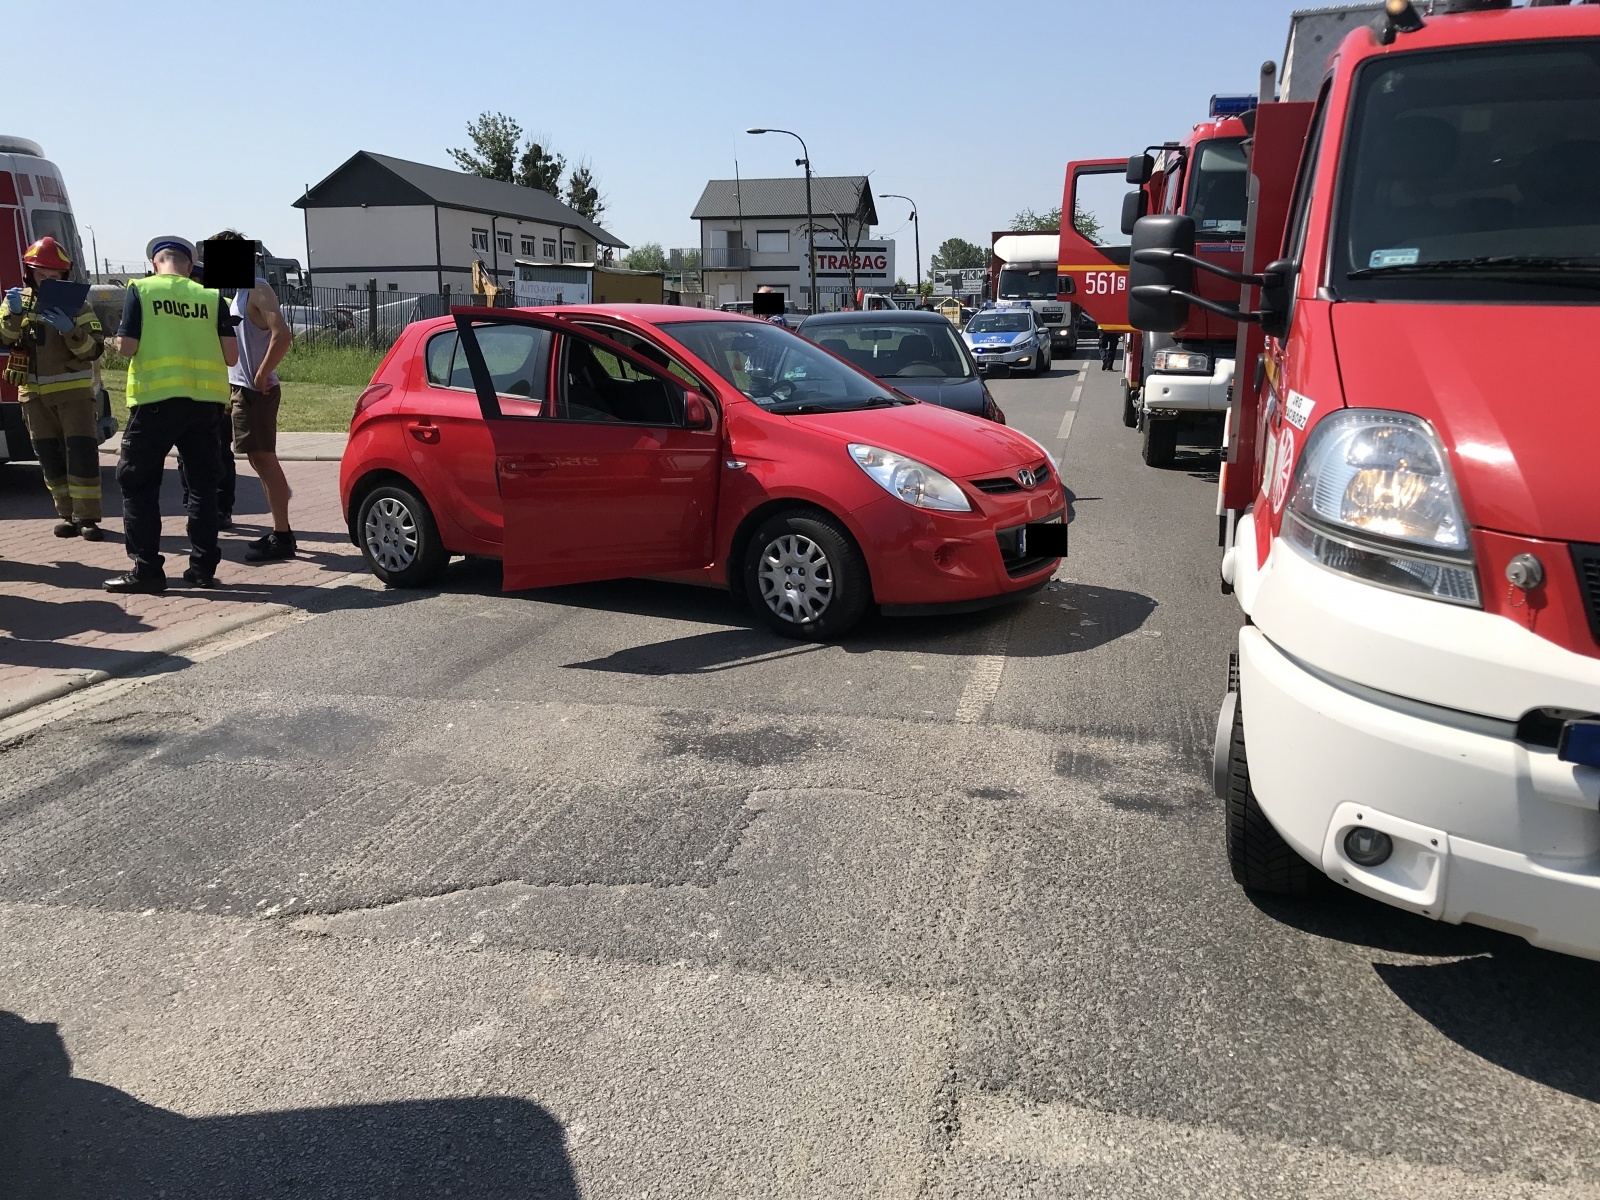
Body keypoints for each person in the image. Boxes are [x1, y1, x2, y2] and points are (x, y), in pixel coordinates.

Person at [106, 235, 238, 594]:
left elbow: (127, 346)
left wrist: (113, 341)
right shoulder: (212, 298)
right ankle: (203, 568)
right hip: (204, 405)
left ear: (154, 263)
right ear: (190, 265)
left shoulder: (141, 291)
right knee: (203, 487)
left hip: (154, 403)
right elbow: (231, 357)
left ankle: (147, 569)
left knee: (138, 485)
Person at [0, 237, 106, 538]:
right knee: (49, 458)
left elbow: (94, 350)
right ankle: (67, 515)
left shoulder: (79, 306)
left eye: (53, 275)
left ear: (64, 277)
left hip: (73, 394)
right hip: (33, 395)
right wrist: (16, 314)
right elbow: (5, 337)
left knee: (81, 455)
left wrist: (69, 329)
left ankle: (88, 518)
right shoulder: (13, 301)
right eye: (40, 274)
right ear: (29, 272)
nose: (45, 280)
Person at [210, 229, 295, 561]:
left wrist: (260, 374)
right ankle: (280, 529)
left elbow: (282, 335)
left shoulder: (258, 289)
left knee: (264, 459)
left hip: (256, 391)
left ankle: (283, 535)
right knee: (260, 460)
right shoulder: (239, 295)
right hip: (241, 389)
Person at [176, 250, 237, 528]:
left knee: (221, 455)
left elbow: (234, 355)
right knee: (186, 457)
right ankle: (194, 505)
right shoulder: (175, 308)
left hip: (215, 394)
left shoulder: (220, 304)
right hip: (184, 393)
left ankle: (222, 509)